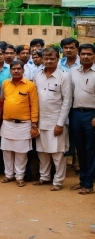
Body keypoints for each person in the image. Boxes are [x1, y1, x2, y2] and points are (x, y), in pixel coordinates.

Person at [33, 47, 71, 191]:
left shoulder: (64, 76)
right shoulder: (38, 75)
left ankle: (58, 181)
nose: (49, 61)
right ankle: (44, 177)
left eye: (52, 58)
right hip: (40, 121)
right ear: (42, 59)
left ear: (58, 59)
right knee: (42, 152)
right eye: (46, 58)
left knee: (57, 153)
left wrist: (60, 123)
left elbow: (67, 101)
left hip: (56, 121)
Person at [0, 61, 39, 187]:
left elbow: (34, 105)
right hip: (7, 123)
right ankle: (8, 175)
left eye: (18, 69)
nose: (16, 71)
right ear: (10, 71)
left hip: (24, 124)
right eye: (13, 69)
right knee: (7, 151)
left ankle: (19, 177)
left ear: (23, 70)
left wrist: (34, 124)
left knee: (21, 152)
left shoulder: (30, 85)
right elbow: (1, 101)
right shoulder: (5, 83)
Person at [69, 43, 95, 194]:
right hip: (76, 114)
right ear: (79, 55)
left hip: (91, 115)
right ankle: (82, 180)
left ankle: (89, 184)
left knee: (90, 150)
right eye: (83, 54)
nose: (85, 56)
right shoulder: (73, 72)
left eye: (89, 54)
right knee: (80, 149)